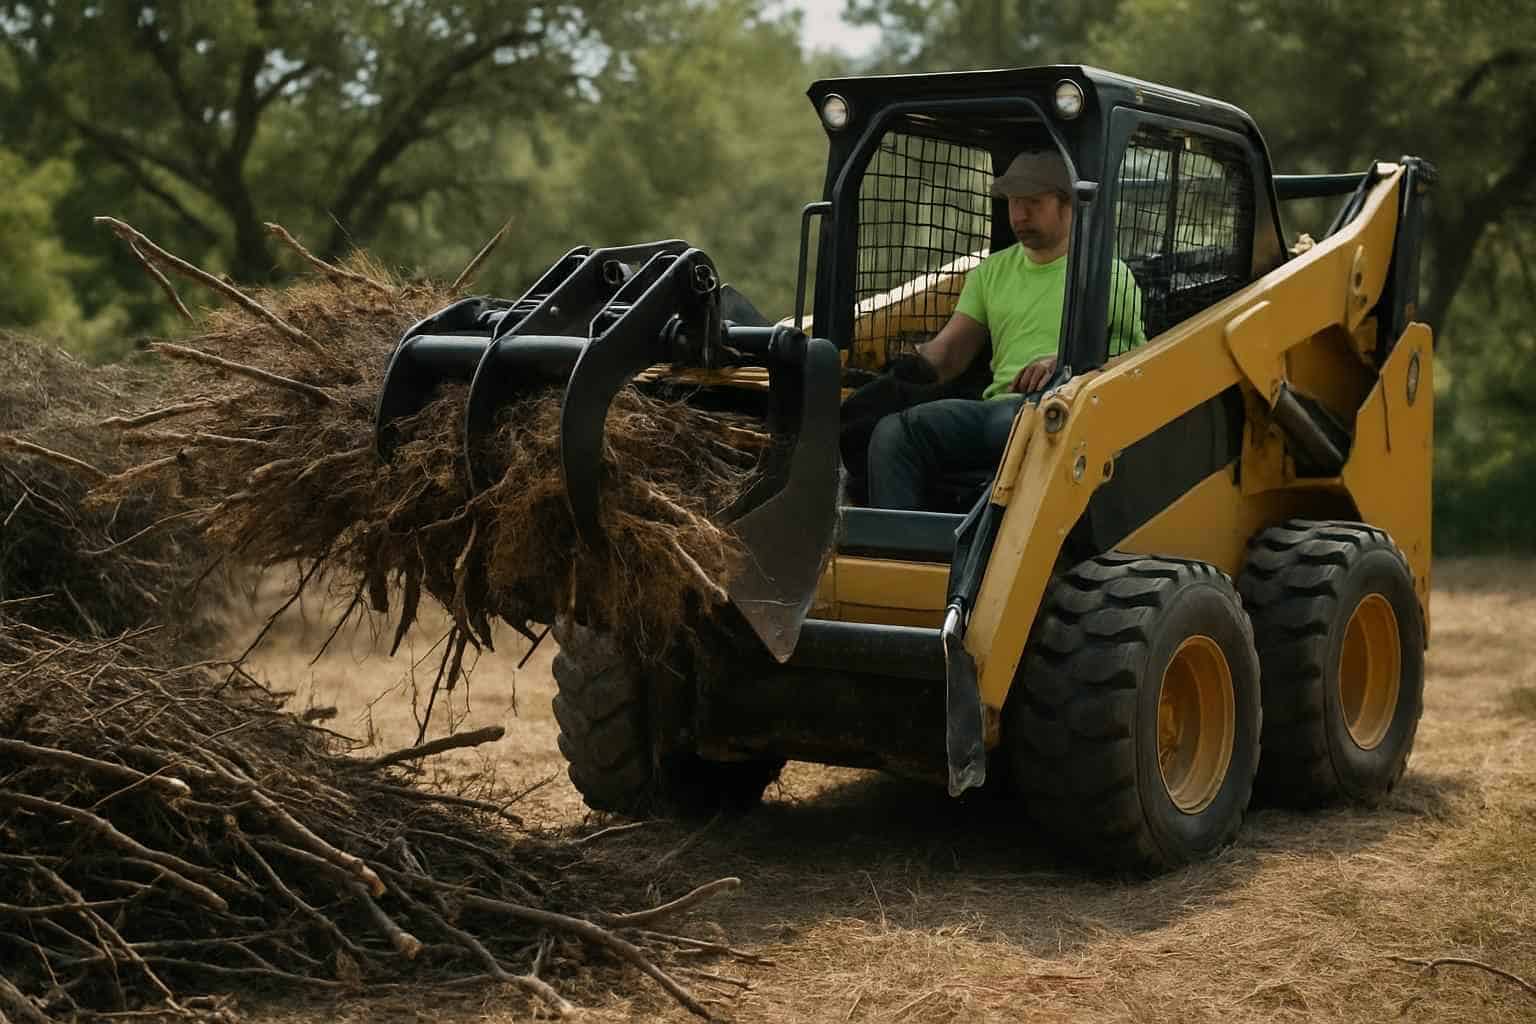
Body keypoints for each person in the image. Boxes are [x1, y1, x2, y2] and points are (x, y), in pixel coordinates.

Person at [863, 149, 1146, 510]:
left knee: (1012, 426)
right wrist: (903, 363)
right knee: (894, 433)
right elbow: (948, 355)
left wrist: (1063, 362)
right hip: (996, 411)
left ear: (1069, 204)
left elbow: (1133, 364)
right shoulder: (991, 272)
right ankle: (898, 553)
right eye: (1013, 202)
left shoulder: (1109, 275)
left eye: (1033, 202)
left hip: (1065, 418)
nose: (1019, 214)